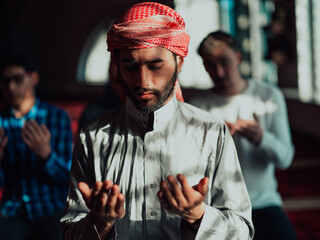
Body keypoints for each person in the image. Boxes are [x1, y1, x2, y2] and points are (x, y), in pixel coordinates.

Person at [61, 3, 254, 239]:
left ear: (179, 62)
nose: (143, 80)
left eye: (155, 65)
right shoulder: (93, 137)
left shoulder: (210, 132)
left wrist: (198, 216)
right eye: (130, 66)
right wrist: (100, 223)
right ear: (117, 66)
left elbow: (241, 231)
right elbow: (71, 232)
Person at [188, 31, 297, 240]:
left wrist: (262, 139)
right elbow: (190, 171)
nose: (219, 72)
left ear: (238, 57)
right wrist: (214, 147)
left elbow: (285, 159)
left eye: (224, 62)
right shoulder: (197, 107)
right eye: (211, 65)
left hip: (264, 202)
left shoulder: (268, 96)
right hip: (218, 207)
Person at [0, 50, 73, 240]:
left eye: (17, 79)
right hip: (12, 210)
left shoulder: (56, 117)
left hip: (50, 208)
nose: (11, 87)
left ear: (33, 78)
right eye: (5, 82)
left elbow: (69, 178)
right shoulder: (1, 122)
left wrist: (47, 155)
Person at [78, 61, 122, 130]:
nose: (121, 87)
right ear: (109, 75)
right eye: (117, 82)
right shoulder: (92, 112)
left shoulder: (141, 110)